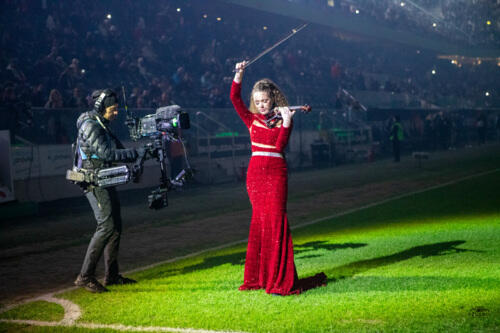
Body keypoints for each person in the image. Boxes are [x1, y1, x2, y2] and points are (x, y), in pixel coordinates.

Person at [230, 61, 326, 296]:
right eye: (258, 102)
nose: (262, 106)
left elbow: (280, 145)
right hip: (254, 176)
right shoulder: (250, 118)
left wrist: (288, 122)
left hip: (275, 173)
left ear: (273, 99)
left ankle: (279, 279)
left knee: (276, 220)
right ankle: (260, 277)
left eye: (265, 101)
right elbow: (234, 98)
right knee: (260, 221)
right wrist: (239, 73)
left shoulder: (283, 117)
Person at [73, 89, 139, 293]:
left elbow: (112, 151)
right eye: (113, 109)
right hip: (92, 181)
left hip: (102, 178)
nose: (116, 113)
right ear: (102, 107)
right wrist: (135, 153)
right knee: (106, 226)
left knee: (115, 225)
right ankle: (85, 277)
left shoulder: (100, 123)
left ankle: (111, 275)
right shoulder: (91, 125)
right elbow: (106, 152)